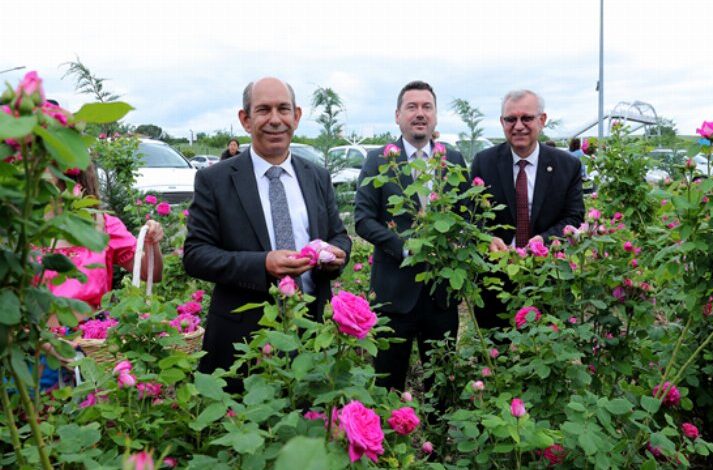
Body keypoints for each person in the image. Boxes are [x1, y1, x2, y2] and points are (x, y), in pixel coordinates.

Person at [183, 77, 351, 392]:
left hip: (313, 333)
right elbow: (195, 256)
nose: (275, 119)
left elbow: (339, 237)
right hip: (243, 341)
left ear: (297, 116)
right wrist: (263, 264)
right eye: (263, 110)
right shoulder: (215, 181)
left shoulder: (316, 176)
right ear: (245, 119)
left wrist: (337, 255)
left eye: (283, 109)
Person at [355, 80, 466, 393]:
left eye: (427, 107)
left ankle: (438, 441)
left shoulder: (453, 160)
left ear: (435, 116)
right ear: (397, 116)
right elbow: (363, 220)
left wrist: (458, 242)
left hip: (440, 296)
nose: (420, 113)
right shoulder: (377, 160)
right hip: (394, 294)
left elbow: (467, 214)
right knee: (387, 385)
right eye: (412, 107)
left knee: (442, 382)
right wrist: (406, 249)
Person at [41, 163, 164, 388]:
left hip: (93, 345)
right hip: (39, 345)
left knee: (92, 414)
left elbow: (151, 274)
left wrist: (152, 243)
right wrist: (45, 341)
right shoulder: (22, 232)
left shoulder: (104, 225)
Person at [470, 90, 584, 329]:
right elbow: (471, 215)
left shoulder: (567, 165)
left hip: (547, 276)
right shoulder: (484, 162)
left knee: (544, 352)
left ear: (542, 120)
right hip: (496, 277)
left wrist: (542, 241)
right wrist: (487, 237)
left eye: (527, 118)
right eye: (511, 119)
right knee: (493, 355)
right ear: (502, 123)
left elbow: (574, 217)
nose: (518, 126)